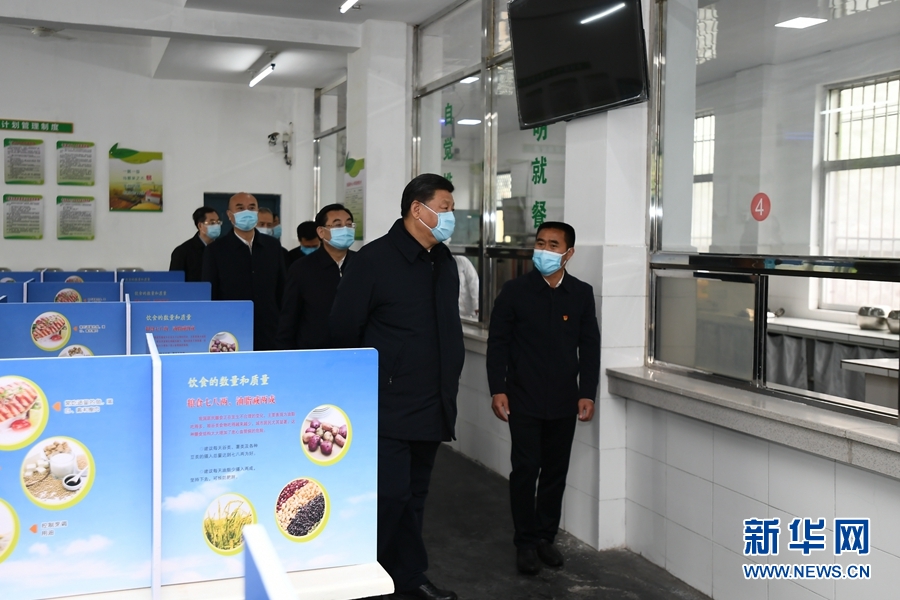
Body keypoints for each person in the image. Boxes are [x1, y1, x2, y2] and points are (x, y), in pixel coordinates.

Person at [330, 174, 464, 600]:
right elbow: (343, 331)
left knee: (416, 496)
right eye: (445, 207)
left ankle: (407, 577)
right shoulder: (374, 260)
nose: (451, 216)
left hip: (432, 401)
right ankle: (361, 577)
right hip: (384, 404)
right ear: (417, 209)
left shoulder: (443, 261)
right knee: (387, 496)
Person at [485, 221, 600, 576]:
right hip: (523, 397)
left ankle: (545, 538)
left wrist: (587, 392)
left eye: (553, 245)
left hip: (564, 400)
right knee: (525, 470)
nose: (544, 250)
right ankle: (524, 542)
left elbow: (590, 346)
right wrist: (497, 388)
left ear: (569, 253)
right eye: (540, 243)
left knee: (554, 471)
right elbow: (498, 343)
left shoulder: (580, 293)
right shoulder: (515, 291)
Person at [201, 192, 286, 351]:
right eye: (240, 208)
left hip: (270, 328)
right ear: (229, 215)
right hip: (231, 329)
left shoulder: (273, 246)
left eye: (251, 208)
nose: (247, 212)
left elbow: (282, 288)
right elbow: (211, 293)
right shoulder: (216, 250)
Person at [276, 203, 355, 350]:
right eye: (337, 225)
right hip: (313, 352)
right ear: (321, 232)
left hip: (356, 351)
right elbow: (289, 318)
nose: (345, 230)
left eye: (349, 225)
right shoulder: (301, 269)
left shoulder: (362, 264)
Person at [169, 206, 221, 281]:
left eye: (218, 222)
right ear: (200, 226)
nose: (216, 226)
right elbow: (175, 282)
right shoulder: (182, 252)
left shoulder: (223, 248)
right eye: (212, 223)